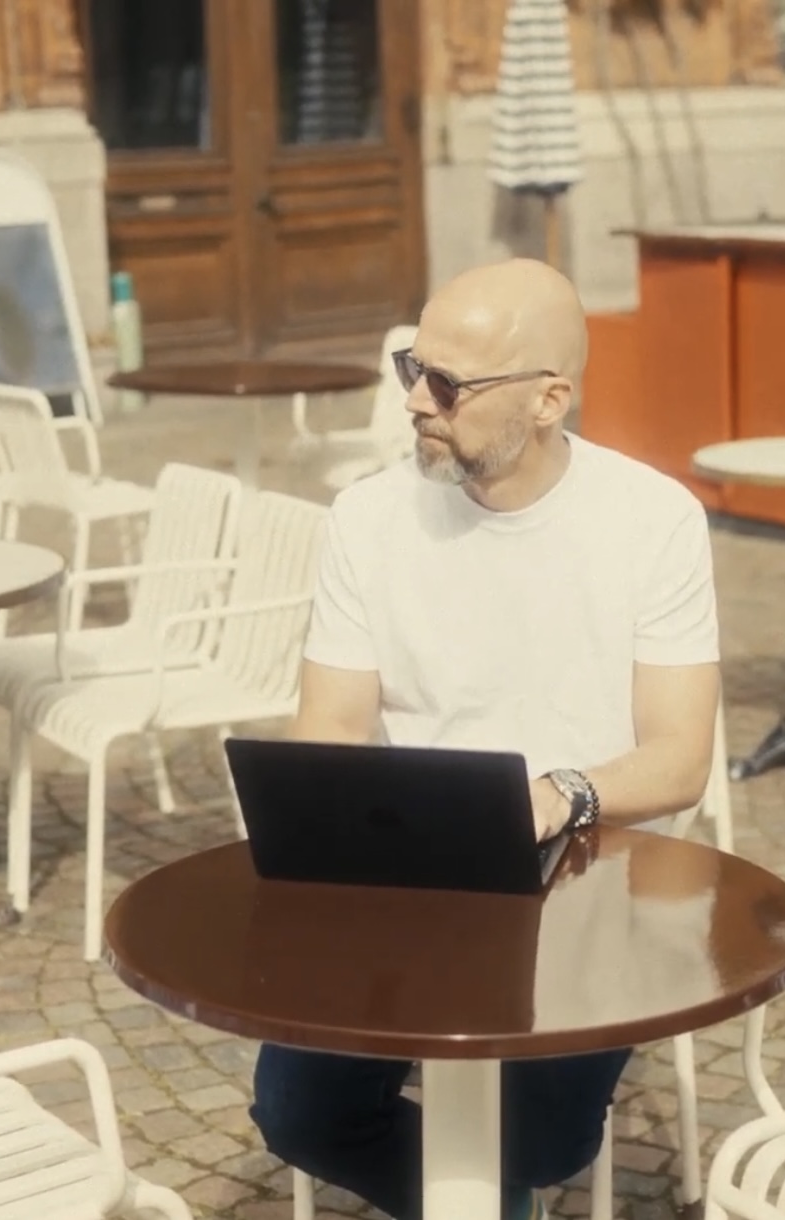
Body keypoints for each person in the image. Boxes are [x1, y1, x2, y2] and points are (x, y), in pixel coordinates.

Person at [249, 257, 724, 1220]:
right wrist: (313, 832)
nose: (415, 400)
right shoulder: (367, 518)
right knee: (299, 1112)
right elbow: (330, 725)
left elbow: (680, 759)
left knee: (541, 1142)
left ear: (549, 399)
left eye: (448, 383)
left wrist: (561, 793)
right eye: (410, 368)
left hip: (588, 874)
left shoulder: (653, 520)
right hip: (409, 874)